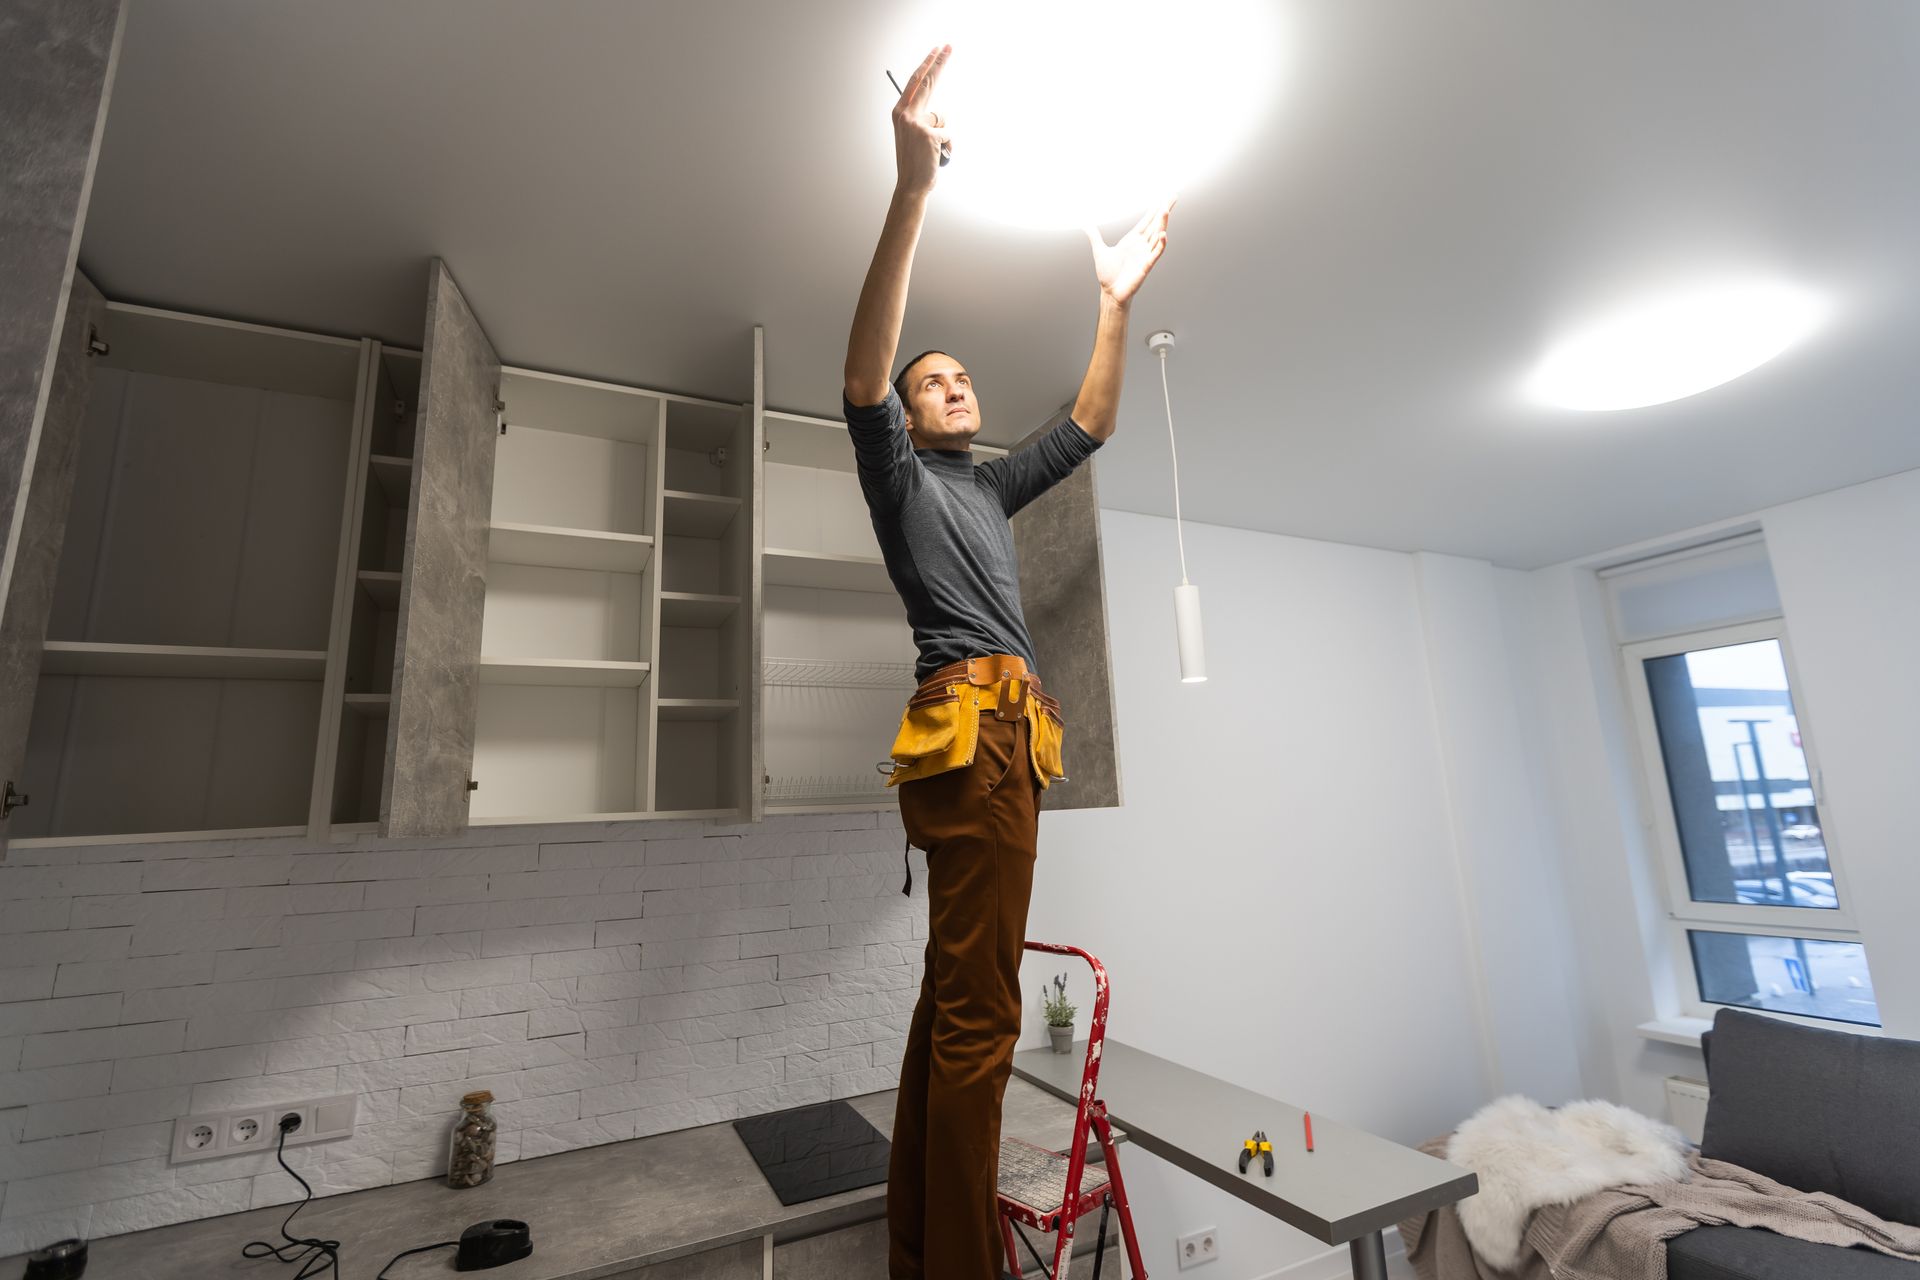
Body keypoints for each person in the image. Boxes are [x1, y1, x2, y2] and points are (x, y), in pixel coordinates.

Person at [840, 43, 1174, 1280]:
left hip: (994, 742)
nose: (952, 385)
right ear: (911, 416)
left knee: (948, 1013)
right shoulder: (904, 477)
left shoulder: (985, 482)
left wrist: (1114, 303)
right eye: (935, 383)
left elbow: (1087, 425)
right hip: (975, 737)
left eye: (962, 374)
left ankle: (925, 1252)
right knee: (981, 1021)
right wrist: (913, 189)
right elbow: (862, 370)